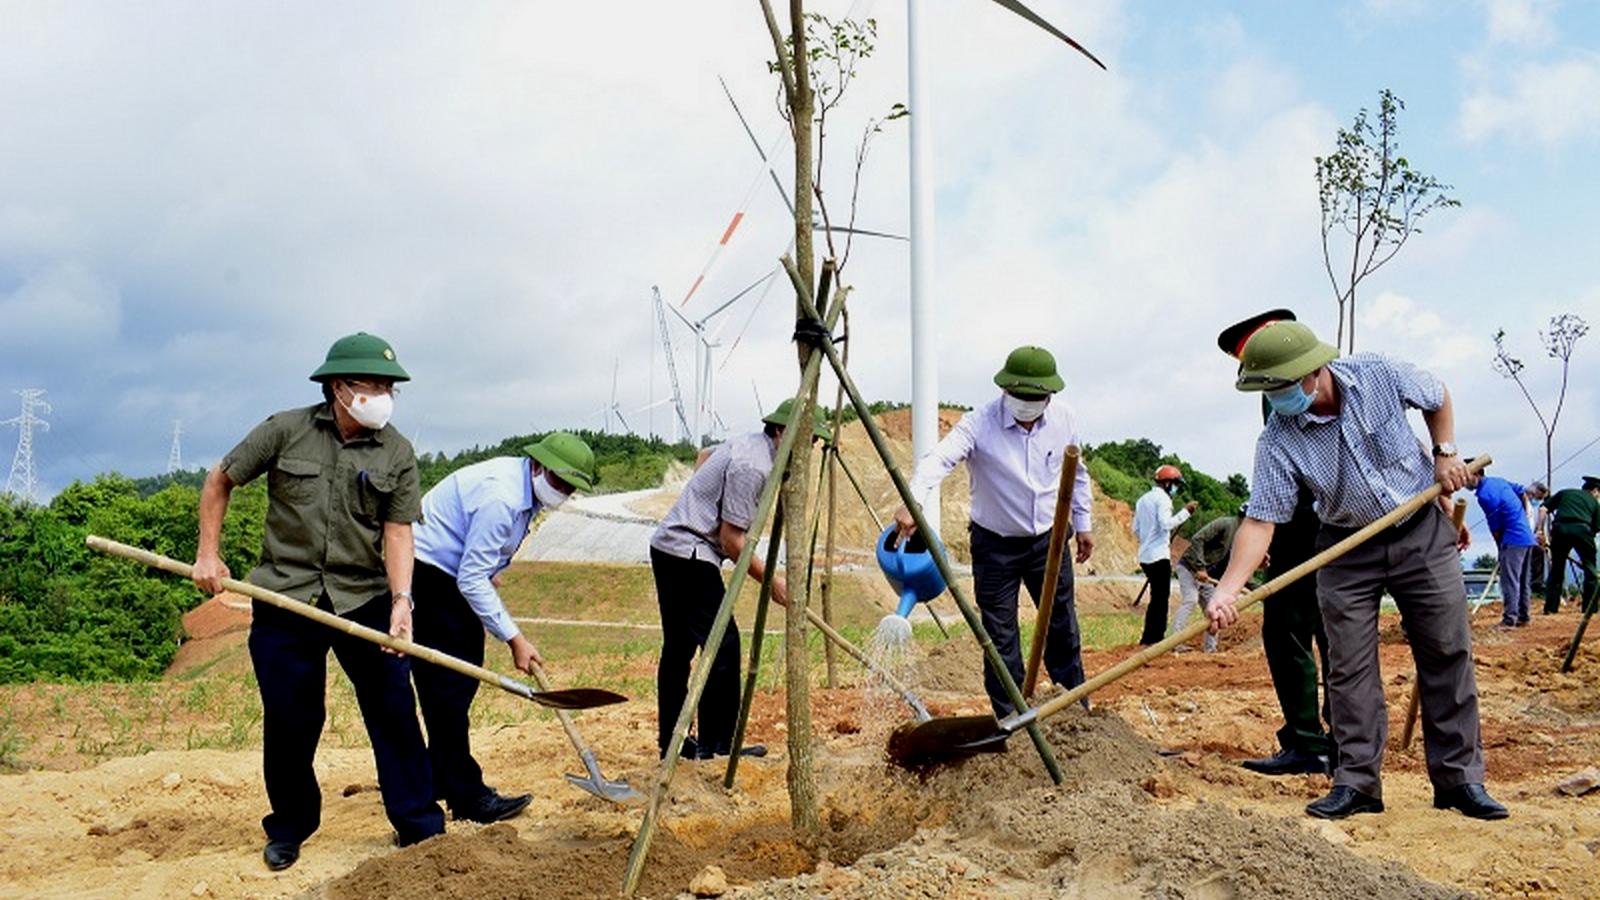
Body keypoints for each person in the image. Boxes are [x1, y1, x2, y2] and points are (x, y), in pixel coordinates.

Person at [1205, 319, 1506, 821]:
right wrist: (1228, 590)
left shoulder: (1377, 373)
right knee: (1348, 668)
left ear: (1314, 371)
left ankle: (1460, 781)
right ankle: (1357, 782)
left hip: (1420, 531)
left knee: (1446, 652)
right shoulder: (1278, 439)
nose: (1277, 400)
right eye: (1268, 391)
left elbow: (1437, 396)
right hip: (1345, 548)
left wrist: (1445, 454)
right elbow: (1261, 520)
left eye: (1282, 387)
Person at [192, 333, 444, 870]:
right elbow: (220, 479)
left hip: (364, 597)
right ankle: (290, 826)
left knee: (394, 708)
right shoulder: (285, 430)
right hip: (285, 597)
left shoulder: (397, 451)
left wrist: (402, 602)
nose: (382, 396)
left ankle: (419, 825)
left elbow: (398, 531)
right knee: (291, 717)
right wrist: (208, 555)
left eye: (388, 387)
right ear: (337, 387)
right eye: (371, 385)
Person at [896, 345, 1094, 718]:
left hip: (1049, 542)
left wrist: (1083, 523)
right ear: (1005, 389)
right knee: (1000, 639)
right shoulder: (979, 424)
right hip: (995, 547)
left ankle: (1075, 714)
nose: (1028, 405)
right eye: (1021, 396)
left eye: (1037, 398)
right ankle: (1012, 720)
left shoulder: (1064, 420)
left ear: (1050, 395)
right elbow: (939, 459)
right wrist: (914, 500)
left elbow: (1077, 474)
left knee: (1062, 628)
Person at [411, 432, 598, 823]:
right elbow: (471, 578)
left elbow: (481, 562)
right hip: (427, 576)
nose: (563, 492)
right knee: (449, 686)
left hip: (448, 574)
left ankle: (440, 775)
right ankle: (465, 795)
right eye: (560, 482)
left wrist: (490, 569)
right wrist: (516, 639)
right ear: (539, 466)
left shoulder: (525, 491)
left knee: (458, 680)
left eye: (571, 488)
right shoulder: (503, 497)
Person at [648, 399, 826, 760]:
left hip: (670, 546)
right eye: (806, 439)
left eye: (813, 442)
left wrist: (701, 496)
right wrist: (772, 582)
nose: (809, 449)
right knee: (723, 643)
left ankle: (674, 743)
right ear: (781, 431)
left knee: (679, 649)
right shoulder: (754, 467)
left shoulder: (753, 446)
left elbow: (705, 454)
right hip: (687, 550)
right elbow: (731, 540)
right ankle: (716, 745)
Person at [1216, 309, 1334, 777]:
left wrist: (1265, 526)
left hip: (1305, 527)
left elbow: (1288, 478)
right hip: (1322, 522)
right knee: (1336, 630)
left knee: (1289, 631)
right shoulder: (1312, 377)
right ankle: (1345, 741)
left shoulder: (1280, 389)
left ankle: (1309, 743)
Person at [1133, 466, 1197, 646]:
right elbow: (1166, 524)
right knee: (1161, 599)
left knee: (1156, 598)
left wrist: (1149, 539)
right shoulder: (1163, 499)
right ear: (1167, 483)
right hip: (1159, 556)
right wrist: (1186, 512)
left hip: (1145, 555)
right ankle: (1156, 639)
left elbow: (1136, 529)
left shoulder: (1143, 500)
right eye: (1175, 484)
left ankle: (1148, 637)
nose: (1176, 488)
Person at [1467, 471, 1536, 628]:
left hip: (1512, 538)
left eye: (1467, 476)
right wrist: (1524, 515)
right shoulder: (1499, 481)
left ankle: (1509, 619)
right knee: (1523, 580)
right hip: (1526, 535)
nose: (1464, 481)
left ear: (1477, 474)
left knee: (1510, 580)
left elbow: (1496, 528)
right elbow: (1522, 491)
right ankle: (1523, 616)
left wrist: (1501, 548)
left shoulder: (1484, 495)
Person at [1172, 509, 1239, 653]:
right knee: (1191, 599)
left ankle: (1210, 649)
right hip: (1189, 568)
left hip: (1206, 576)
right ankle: (1175, 642)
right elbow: (1197, 538)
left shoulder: (1240, 538)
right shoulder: (1225, 524)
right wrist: (1200, 567)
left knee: (1215, 608)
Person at [1541, 476, 1600, 615]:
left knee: (1556, 570)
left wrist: (1539, 531)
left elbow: (1543, 508)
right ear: (1595, 490)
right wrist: (1586, 555)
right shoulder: (1594, 502)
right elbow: (1596, 528)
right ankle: (1589, 609)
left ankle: (1551, 608)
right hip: (1582, 530)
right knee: (1590, 572)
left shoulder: (1565, 492)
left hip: (1560, 530)